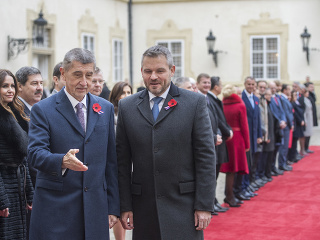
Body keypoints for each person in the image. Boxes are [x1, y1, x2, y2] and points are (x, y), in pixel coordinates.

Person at [116, 45, 216, 240]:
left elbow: (205, 156)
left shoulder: (194, 103)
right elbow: (122, 162)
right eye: (148, 71)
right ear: (142, 72)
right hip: (143, 209)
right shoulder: (127, 107)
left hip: (184, 206)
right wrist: (125, 205)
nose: (153, 76)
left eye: (160, 71)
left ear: (171, 70)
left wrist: (203, 205)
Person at [27, 48, 120, 240]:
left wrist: (113, 206)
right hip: (56, 210)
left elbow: (111, 161)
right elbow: (35, 154)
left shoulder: (105, 108)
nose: (84, 82)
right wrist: (62, 160)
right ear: (62, 73)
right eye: (77, 75)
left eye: (89, 75)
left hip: (95, 209)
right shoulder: (42, 109)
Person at [0, 69, 34, 239]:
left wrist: (29, 191)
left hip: (17, 186)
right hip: (4, 187)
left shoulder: (13, 113)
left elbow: (23, 156)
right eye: (5, 86)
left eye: (12, 86)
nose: (10, 90)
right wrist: (1, 199)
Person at [196, 73, 225, 214]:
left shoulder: (209, 99)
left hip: (214, 141)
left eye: (208, 82)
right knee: (208, 177)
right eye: (204, 83)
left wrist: (218, 134)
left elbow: (216, 120)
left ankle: (213, 201)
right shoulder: (197, 100)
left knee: (214, 176)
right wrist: (213, 137)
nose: (207, 85)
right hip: (207, 142)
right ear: (197, 84)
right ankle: (209, 204)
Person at [108, 81, 132, 240]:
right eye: (123, 93)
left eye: (129, 92)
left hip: (131, 165)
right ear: (116, 95)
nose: (126, 96)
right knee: (118, 205)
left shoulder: (133, 112)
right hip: (115, 164)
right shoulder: (111, 113)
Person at [220, 84, 250, 207]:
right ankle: (230, 196)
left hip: (226, 137)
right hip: (237, 139)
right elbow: (244, 126)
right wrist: (247, 144)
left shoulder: (222, 104)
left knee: (230, 169)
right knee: (233, 169)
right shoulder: (240, 105)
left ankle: (229, 194)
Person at [207, 75, 233, 211]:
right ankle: (212, 202)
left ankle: (214, 201)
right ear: (216, 87)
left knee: (215, 175)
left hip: (218, 139)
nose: (221, 87)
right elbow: (215, 121)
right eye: (221, 85)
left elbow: (219, 119)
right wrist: (227, 132)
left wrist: (226, 130)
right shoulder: (208, 99)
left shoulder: (214, 99)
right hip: (214, 140)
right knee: (212, 175)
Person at [240, 76, 262, 200]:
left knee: (251, 162)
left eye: (253, 84)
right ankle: (243, 187)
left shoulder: (255, 98)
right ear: (245, 84)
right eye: (249, 84)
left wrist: (259, 135)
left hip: (254, 136)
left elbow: (257, 119)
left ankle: (247, 185)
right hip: (245, 137)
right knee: (246, 163)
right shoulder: (241, 98)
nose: (251, 87)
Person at [288, 91, 305, 163]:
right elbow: (295, 114)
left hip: (298, 124)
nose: (295, 97)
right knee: (293, 141)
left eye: (296, 95)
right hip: (295, 123)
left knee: (295, 141)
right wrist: (300, 120)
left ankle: (294, 155)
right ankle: (292, 157)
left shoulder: (296, 103)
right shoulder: (292, 104)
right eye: (294, 95)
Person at [302, 89, 313, 155]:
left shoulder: (308, 99)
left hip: (310, 118)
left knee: (309, 133)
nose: (308, 93)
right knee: (306, 134)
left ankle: (307, 147)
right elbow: (304, 111)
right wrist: (305, 120)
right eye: (307, 92)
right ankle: (304, 148)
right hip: (306, 118)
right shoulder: (303, 100)